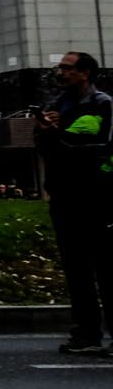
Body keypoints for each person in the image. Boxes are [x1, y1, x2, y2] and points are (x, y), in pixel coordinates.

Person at [36, 51, 113, 355]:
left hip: (99, 196)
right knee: (76, 269)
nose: (60, 73)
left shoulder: (102, 103)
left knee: (107, 268)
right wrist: (45, 129)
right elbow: (46, 146)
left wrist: (56, 131)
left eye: (67, 69)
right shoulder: (57, 105)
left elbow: (96, 143)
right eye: (60, 68)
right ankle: (87, 333)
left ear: (86, 73)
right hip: (65, 196)